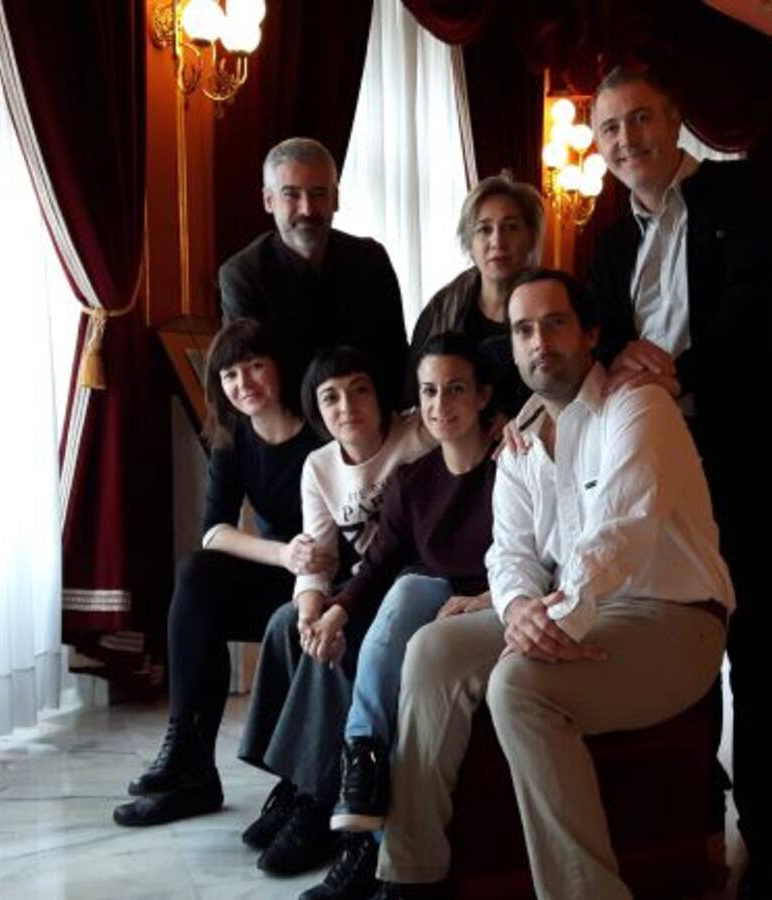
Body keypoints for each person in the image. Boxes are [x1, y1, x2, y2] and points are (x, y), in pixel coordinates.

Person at [375, 269, 733, 900]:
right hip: (580, 607)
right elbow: (508, 551)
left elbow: (619, 533)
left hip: (673, 619)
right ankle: (413, 873)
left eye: (555, 323)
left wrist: (552, 621)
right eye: (523, 330)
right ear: (513, 348)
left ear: (590, 334)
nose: (539, 341)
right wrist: (518, 608)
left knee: (520, 684)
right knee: (432, 649)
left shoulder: (637, 406)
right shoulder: (519, 443)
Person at [588, 65, 772, 899]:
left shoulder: (741, 197)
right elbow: (602, 335)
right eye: (610, 128)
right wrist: (623, 359)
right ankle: (691, 814)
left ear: (675, 119)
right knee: (677, 638)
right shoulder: (611, 237)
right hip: (655, 465)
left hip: (739, 456)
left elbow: (762, 320)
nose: (627, 140)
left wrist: (673, 369)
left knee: (756, 643)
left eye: (640, 119)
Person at [301, 333, 499, 900]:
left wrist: (491, 598)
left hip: (495, 603)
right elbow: (379, 561)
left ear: (483, 396)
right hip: (434, 602)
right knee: (408, 587)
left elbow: (544, 556)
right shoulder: (413, 481)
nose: (440, 405)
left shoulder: (511, 461)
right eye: (429, 392)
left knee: (416, 657)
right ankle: (359, 759)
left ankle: (379, 850)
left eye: (455, 389)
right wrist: (336, 612)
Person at [113, 319, 328, 828]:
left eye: (255, 366)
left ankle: (205, 771)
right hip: (282, 571)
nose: (244, 382)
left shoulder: (320, 429)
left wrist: (305, 562)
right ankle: (189, 758)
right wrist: (282, 554)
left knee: (200, 590)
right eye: (231, 374)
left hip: (329, 579)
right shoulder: (234, 437)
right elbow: (214, 530)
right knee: (197, 579)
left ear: (278, 367)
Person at [237, 346, 435, 877]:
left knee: (334, 643)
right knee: (287, 624)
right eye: (331, 398)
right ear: (317, 410)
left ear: (380, 394)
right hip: (362, 584)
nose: (347, 407)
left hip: (410, 586)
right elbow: (318, 559)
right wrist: (308, 610)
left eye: (359, 390)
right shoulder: (319, 466)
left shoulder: (417, 434)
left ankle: (316, 798)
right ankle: (294, 781)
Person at [219, 137, 409, 410]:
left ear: (336, 198)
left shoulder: (371, 260)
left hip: (370, 422)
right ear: (268, 200)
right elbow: (252, 377)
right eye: (291, 194)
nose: (307, 209)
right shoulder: (242, 275)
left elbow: (395, 357)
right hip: (287, 424)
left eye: (318, 193)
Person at [404, 173, 544, 418]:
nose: (497, 241)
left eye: (511, 227)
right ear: (469, 243)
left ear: (531, 237)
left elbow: (566, 386)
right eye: (484, 230)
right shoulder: (442, 309)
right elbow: (412, 394)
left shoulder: (553, 303)